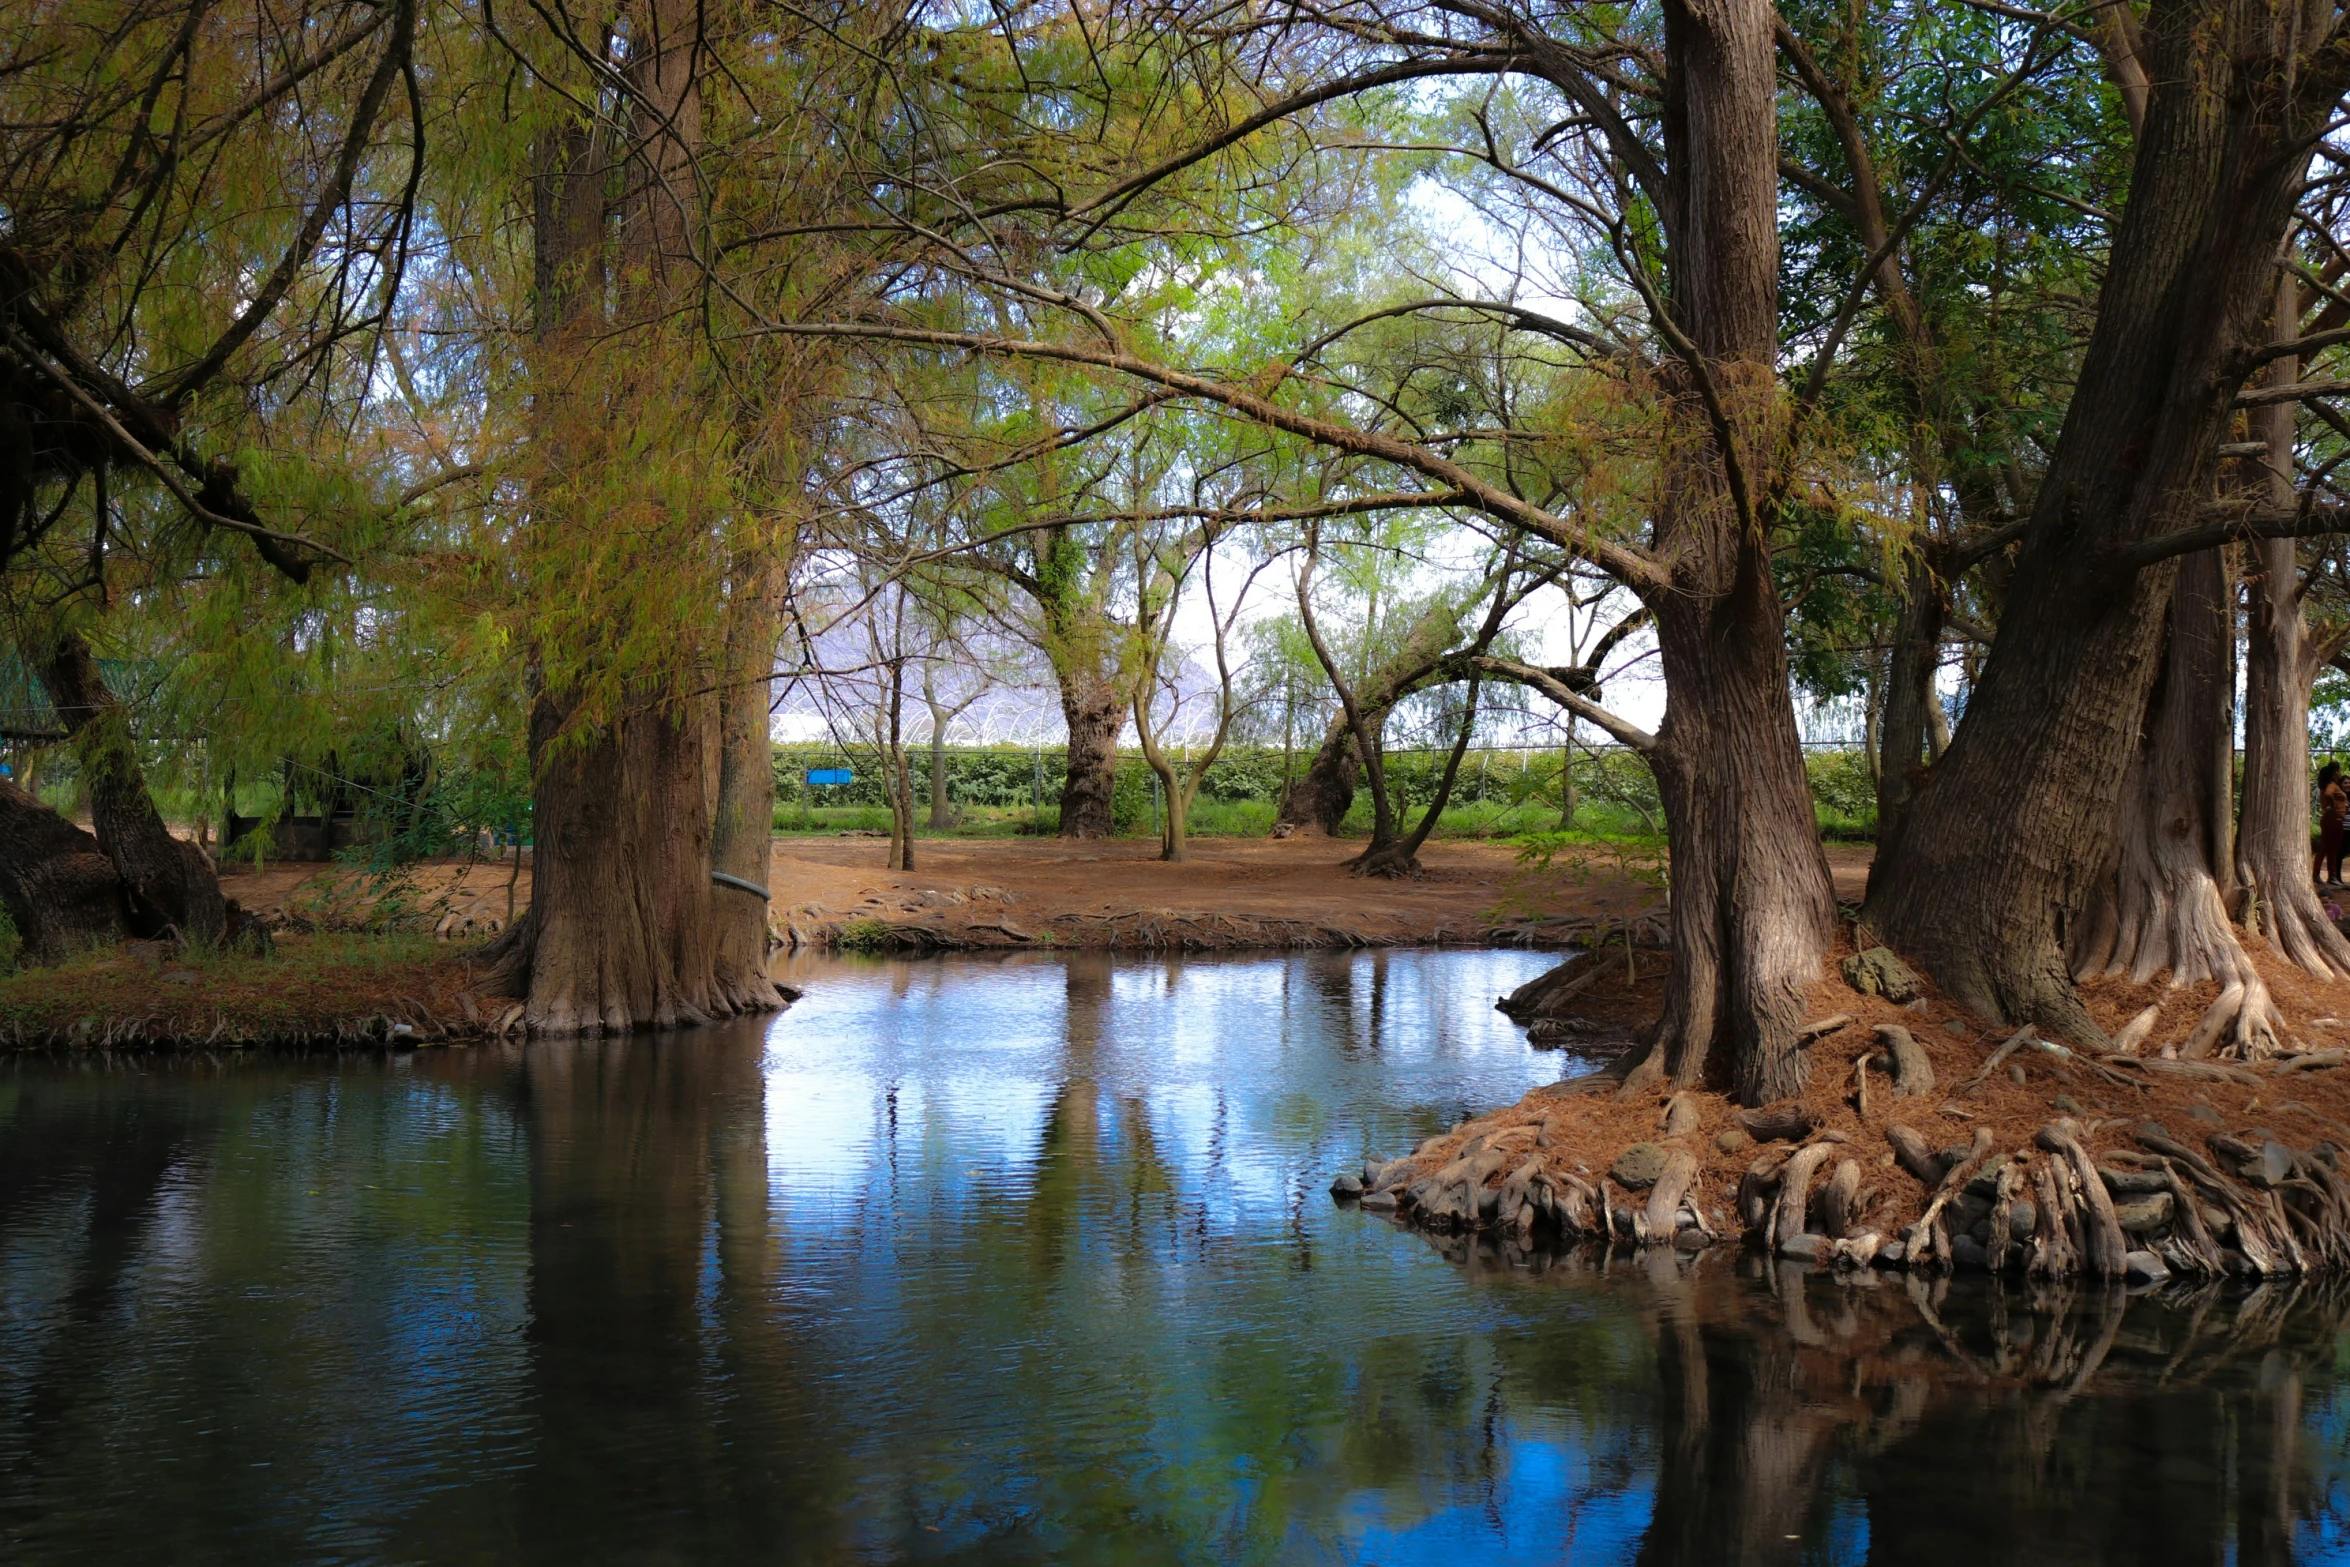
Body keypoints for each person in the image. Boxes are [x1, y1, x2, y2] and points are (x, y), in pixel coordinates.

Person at [2319, 762, 2348, 887]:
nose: (2340, 772)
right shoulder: (2332, 785)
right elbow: (2328, 794)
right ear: (2335, 772)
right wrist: (2334, 806)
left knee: (2328, 848)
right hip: (2335, 820)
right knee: (2332, 849)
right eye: (2339, 770)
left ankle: (2330, 876)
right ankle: (2332, 876)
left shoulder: (2329, 786)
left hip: (2335, 820)